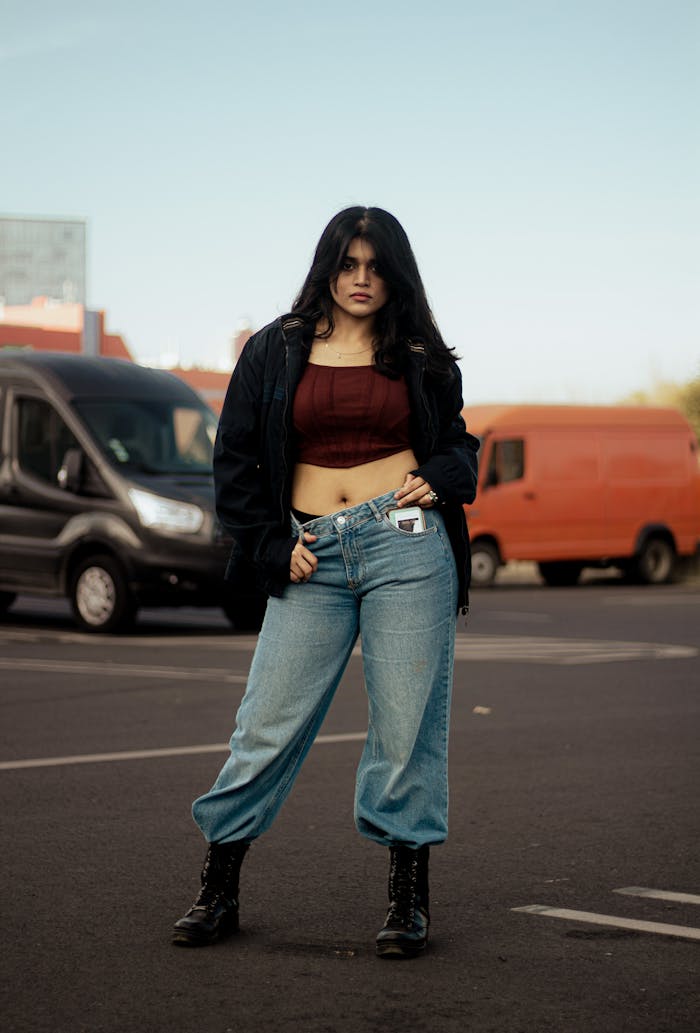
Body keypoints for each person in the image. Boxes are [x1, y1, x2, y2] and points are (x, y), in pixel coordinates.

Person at [172, 206, 480, 958]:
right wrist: (273, 546)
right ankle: (219, 886)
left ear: (394, 272)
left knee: (407, 727)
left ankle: (408, 900)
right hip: (311, 551)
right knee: (265, 724)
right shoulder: (276, 349)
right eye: (349, 264)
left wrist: (440, 476)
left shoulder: (422, 355)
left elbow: (459, 448)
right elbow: (234, 458)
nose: (362, 279)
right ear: (328, 267)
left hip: (407, 548)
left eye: (376, 266)